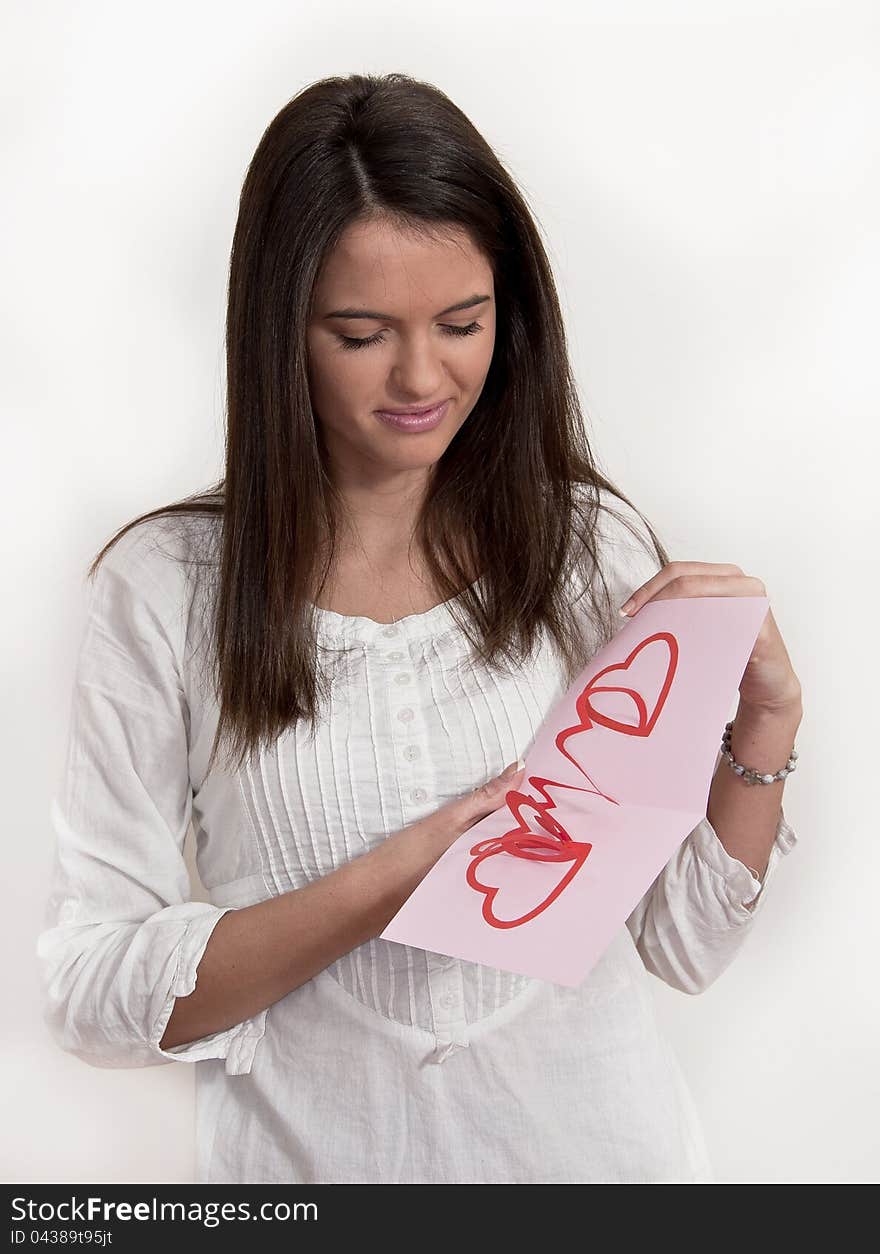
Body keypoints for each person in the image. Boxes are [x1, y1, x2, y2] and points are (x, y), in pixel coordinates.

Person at [36, 72, 802, 1185]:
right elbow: (89, 990)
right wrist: (383, 884)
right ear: (280, 331)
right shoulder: (166, 590)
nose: (421, 377)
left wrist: (767, 719)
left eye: (462, 323)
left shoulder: (585, 549)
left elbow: (682, 943)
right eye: (360, 332)